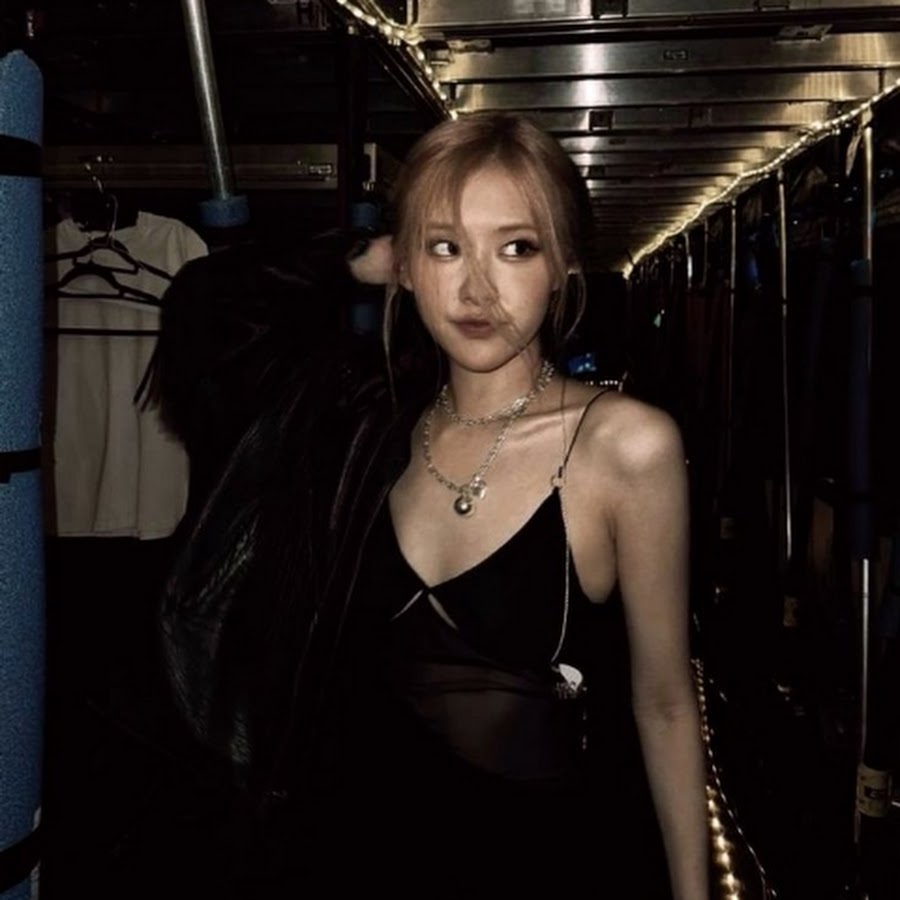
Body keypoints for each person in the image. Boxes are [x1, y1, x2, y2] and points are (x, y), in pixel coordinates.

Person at [152, 112, 709, 899]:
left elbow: (664, 701)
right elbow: (205, 309)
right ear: (406, 266)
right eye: (446, 247)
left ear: (563, 264)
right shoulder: (362, 428)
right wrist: (359, 259)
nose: (476, 288)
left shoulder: (624, 445)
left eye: (517, 247)